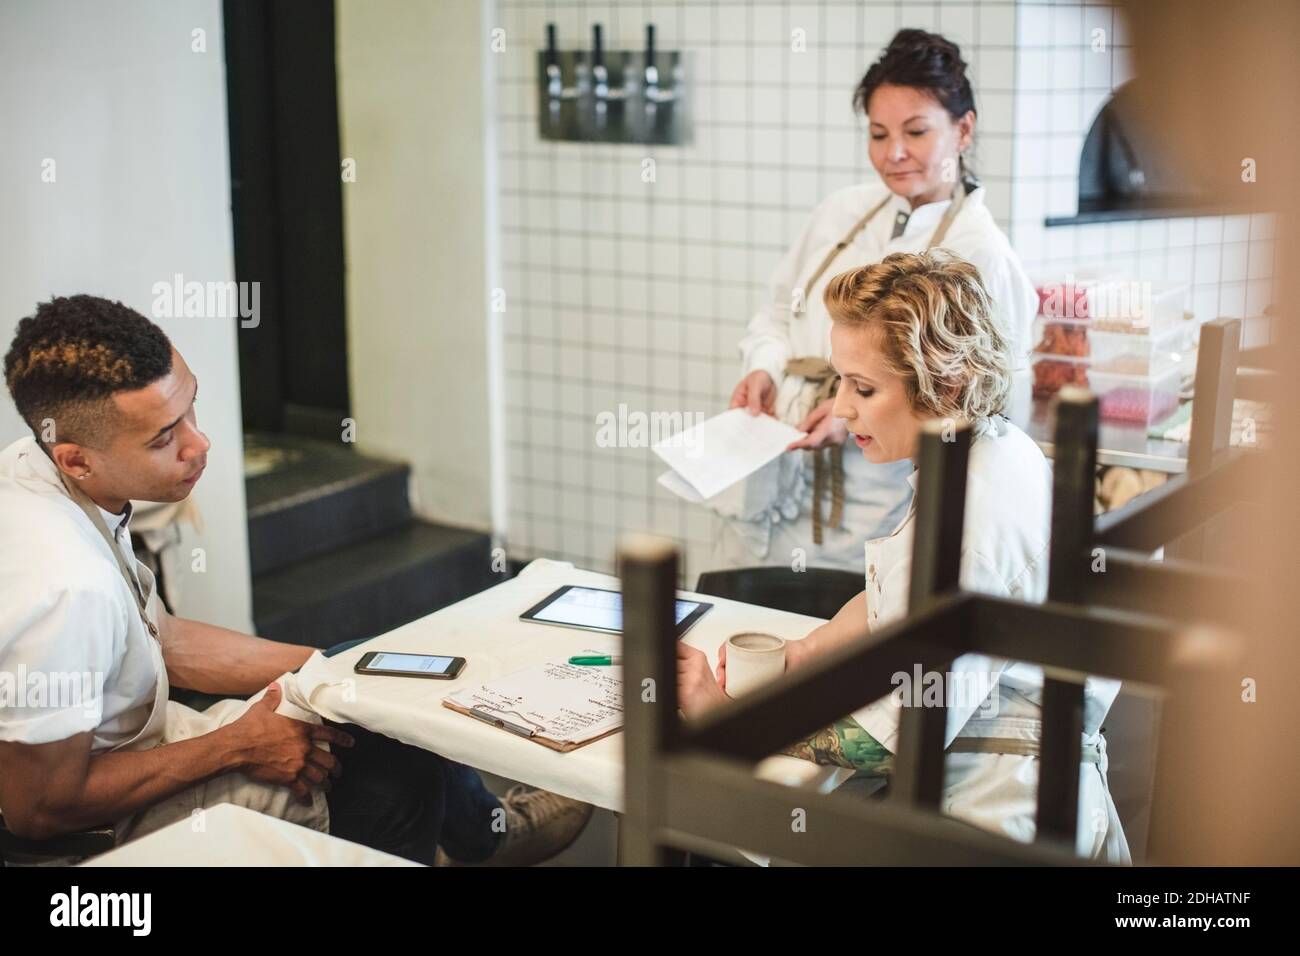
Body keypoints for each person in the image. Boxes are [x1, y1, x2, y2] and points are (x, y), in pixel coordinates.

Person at [0, 295, 590, 865]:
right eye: (163, 438)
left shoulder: (38, 466)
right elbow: (40, 809)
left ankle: (483, 840)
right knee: (392, 777)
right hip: (89, 836)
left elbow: (163, 640)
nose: (199, 444)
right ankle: (460, 842)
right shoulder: (64, 584)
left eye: (191, 410)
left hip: (130, 747)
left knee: (368, 691)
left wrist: (335, 669)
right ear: (77, 458)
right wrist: (236, 746)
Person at [681, 252, 1129, 862]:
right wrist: (803, 653)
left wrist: (731, 721)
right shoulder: (985, 448)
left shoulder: (976, 517)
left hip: (996, 819)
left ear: (945, 382)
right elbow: (894, 593)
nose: (841, 408)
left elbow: (890, 738)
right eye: (842, 381)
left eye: (863, 388)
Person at [717, 29, 1037, 573]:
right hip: (769, 485)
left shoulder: (983, 256)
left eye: (915, 132)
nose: (893, 154)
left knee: (834, 642)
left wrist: (856, 413)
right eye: (878, 133)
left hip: (871, 511)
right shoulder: (841, 211)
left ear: (964, 129)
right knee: (742, 631)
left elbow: (991, 411)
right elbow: (777, 311)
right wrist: (765, 367)